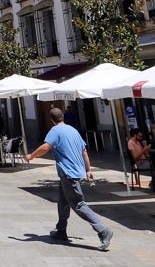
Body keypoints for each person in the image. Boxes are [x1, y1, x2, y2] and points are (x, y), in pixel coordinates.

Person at [24, 107, 113, 250]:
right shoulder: (73, 130)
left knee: (78, 204)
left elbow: (46, 147)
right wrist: (88, 169)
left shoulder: (55, 131)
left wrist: (31, 156)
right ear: (63, 117)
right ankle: (61, 230)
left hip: (68, 173)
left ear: (51, 120)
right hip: (73, 172)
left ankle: (103, 230)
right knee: (63, 202)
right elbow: (84, 151)